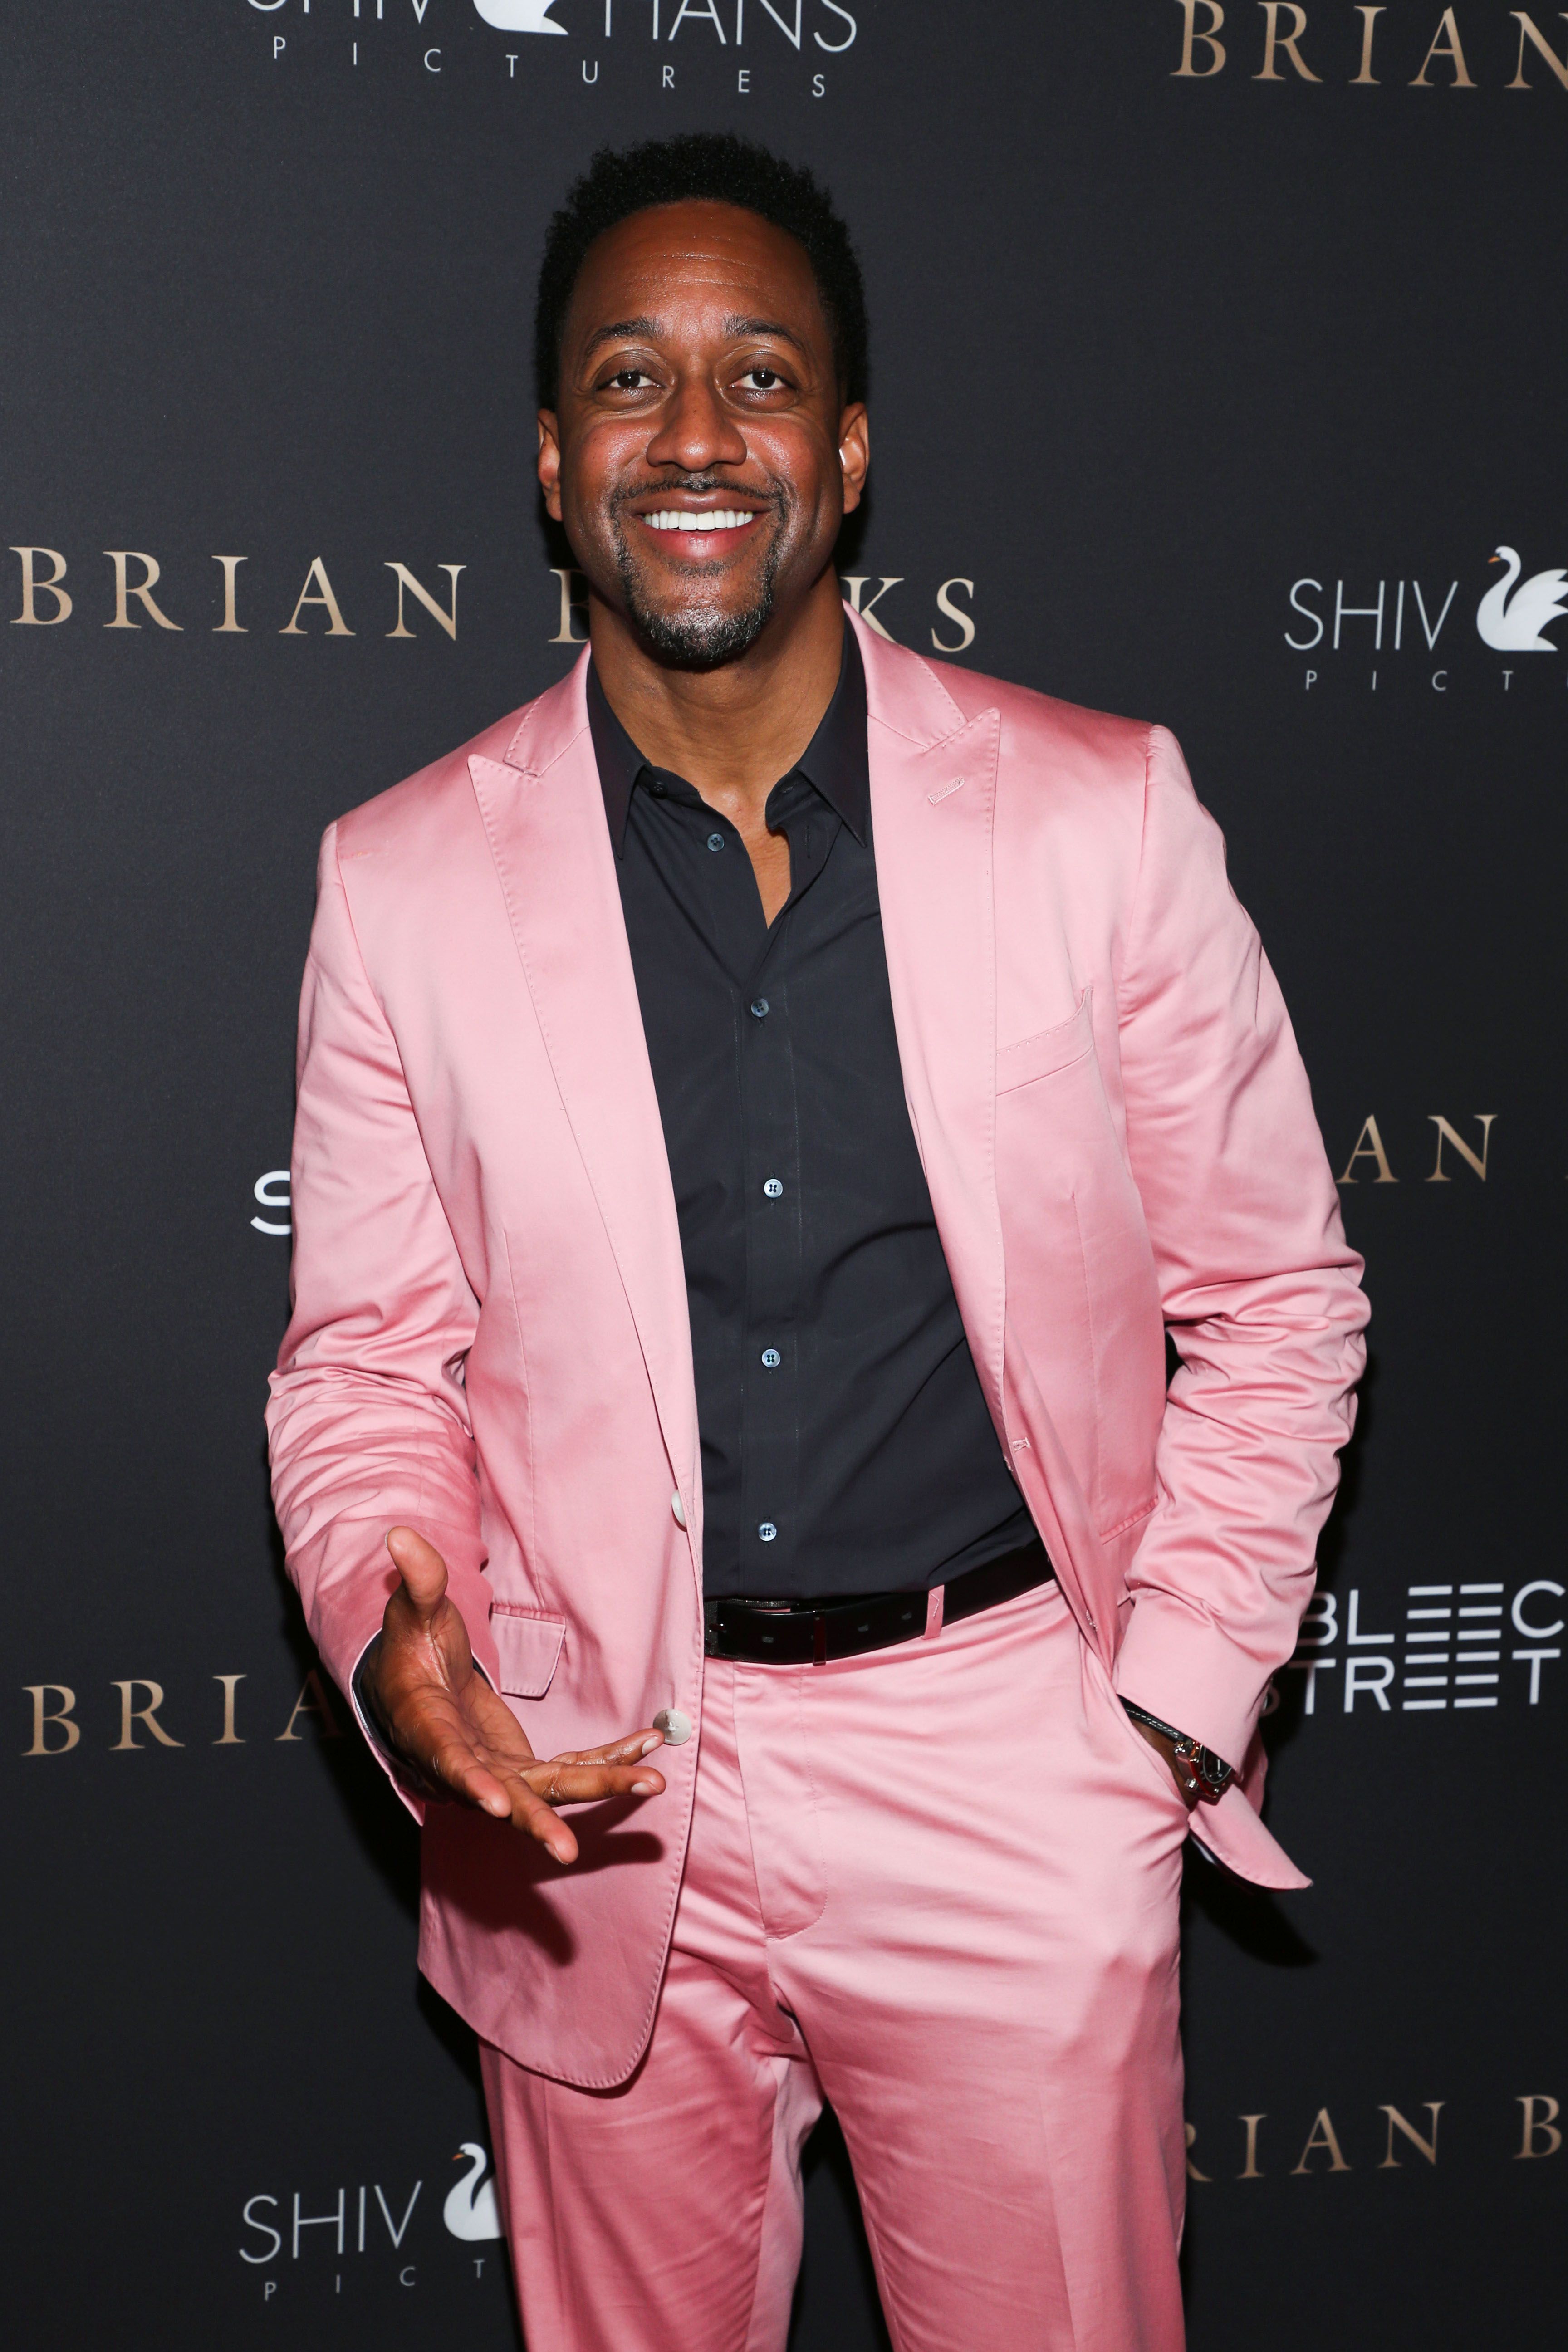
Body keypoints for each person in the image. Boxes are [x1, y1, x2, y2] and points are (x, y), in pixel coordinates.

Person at [267, 132, 1367, 2352]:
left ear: (846, 453)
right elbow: (367, 1363)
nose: (695, 437)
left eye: (758, 379)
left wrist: (1160, 1718)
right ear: (553, 457)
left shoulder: (1096, 815)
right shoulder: (397, 883)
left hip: (1006, 1758)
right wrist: (399, 1643)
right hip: (590, 1799)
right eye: (631, 381)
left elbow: (1279, 1293)